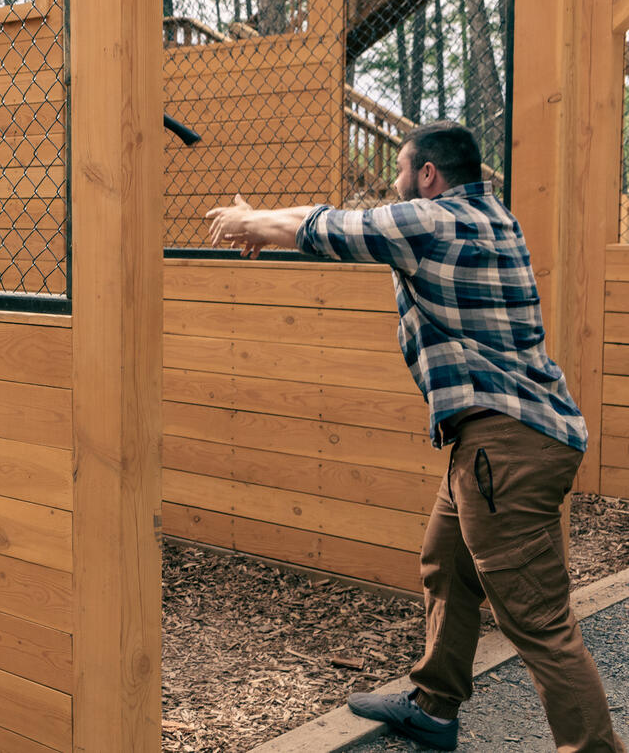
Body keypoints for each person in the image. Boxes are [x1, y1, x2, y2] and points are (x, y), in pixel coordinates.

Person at [205, 122, 624, 752]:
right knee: (448, 565)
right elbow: (337, 217)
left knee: (538, 620)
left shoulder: (429, 222)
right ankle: (433, 706)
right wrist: (260, 216)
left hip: (504, 449)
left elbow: (332, 230)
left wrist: (254, 224)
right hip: (511, 441)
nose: (395, 186)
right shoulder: (491, 217)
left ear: (428, 174)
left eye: (401, 171)